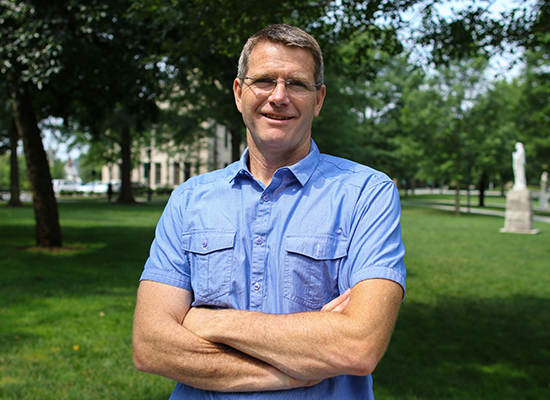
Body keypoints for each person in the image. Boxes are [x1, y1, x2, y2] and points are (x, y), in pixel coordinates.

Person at [132, 24, 406, 399]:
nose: (279, 96)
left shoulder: (368, 194)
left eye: (296, 84)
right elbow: (150, 346)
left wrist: (207, 321)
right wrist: (289, 372)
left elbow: (358, 346)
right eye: (264, 80)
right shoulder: (189, 199)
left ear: (319, 99)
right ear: (239, 92)